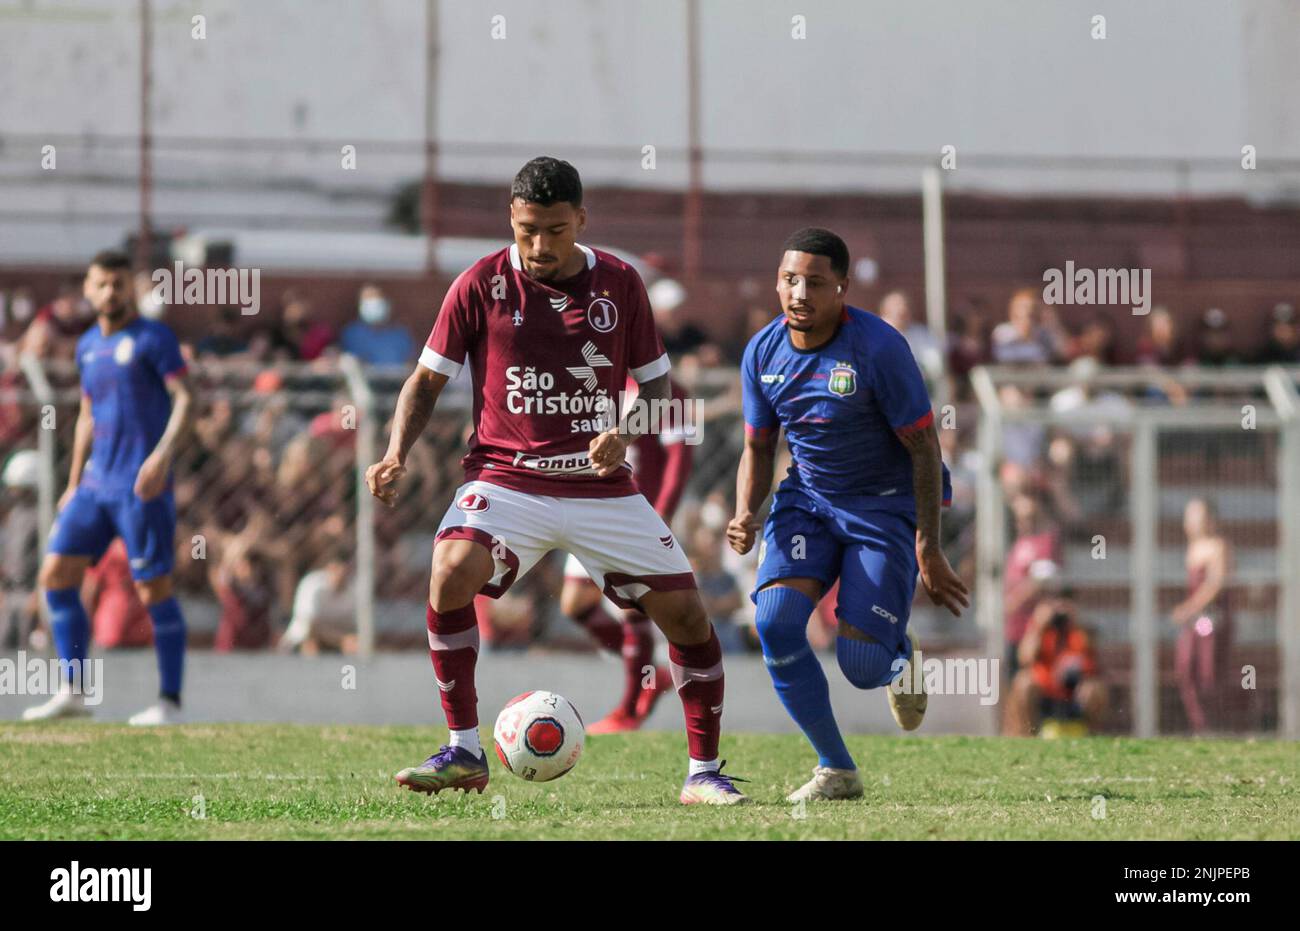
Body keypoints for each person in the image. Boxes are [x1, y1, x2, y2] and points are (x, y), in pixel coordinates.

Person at [365, 157, 747, 805]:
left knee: (687, 615)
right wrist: (396, 451)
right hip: (505, 477)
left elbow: (656, 384)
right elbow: (426, 380)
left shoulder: (621, 284)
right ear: (511, 221)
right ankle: (463, 747)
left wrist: (624, 429)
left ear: (581, 222)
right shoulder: (479, 285)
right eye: (527, 231)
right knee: (450, 566)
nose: (540, 246)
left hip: (600, 485)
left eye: (555, 230)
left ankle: (703, 772)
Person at [727, 227, 968, 802]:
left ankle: (897, 655)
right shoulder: (762, 353)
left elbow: (925, 448)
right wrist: (746, 511)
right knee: (776, 622)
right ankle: (837, 769)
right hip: (807, 501)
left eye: (814, 280)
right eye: (789, 279)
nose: (799, 292)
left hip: (883, 508)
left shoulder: (879, 348)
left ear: (842, 286)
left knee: (860, 664)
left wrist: (928, 546)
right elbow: (759, 447)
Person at [23, 250, 194, 725]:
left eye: (119, 283)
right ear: (87, 289)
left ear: (131, 288)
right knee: (55, 575)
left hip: (141, 487)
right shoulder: (87, 346)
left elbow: (187, 398)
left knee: (153, 587)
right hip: (95, 485)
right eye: (101, 284)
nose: (110, 292)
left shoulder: (154, 338)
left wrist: (162, 455)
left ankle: (170, 702)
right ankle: (74, 691)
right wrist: (73, 483)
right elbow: (87, 415)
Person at [557, 375, 691, 733]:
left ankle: (631, 706)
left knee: (629, 605)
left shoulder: (668, 390)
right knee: (575, 603)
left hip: (632, 510)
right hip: (589, 506)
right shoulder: (595, 379)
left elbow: (681, 454)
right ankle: (653, 674)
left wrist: (663, 513)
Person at [1171, 498, 1234, 733]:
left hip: (1210, 619)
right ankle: (1200, 725)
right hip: (1195, 620)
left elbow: (1215, 584)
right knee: (1186, 667)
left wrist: (1189, 608)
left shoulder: (1218, 546)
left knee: (1209, 673)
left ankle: (1215, 727)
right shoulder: (1191, 547)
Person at [1007, 594, 1107, 736]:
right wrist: (1040, 625)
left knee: (1095, 689)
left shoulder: (1080, 632)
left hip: (1075, 690)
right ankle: (1026, 736)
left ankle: (1092, 736)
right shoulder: (1040, 631)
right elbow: (1025, 659)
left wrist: (1075, 622)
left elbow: (1095, 661)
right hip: (1044, 690)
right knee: (1023, 683)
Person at [339, 283, 416, 366]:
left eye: (378, 301)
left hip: (399, 378)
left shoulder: (400, 334)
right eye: (369, 302)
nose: (374, 307)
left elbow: (411, 361)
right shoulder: (352, 334)